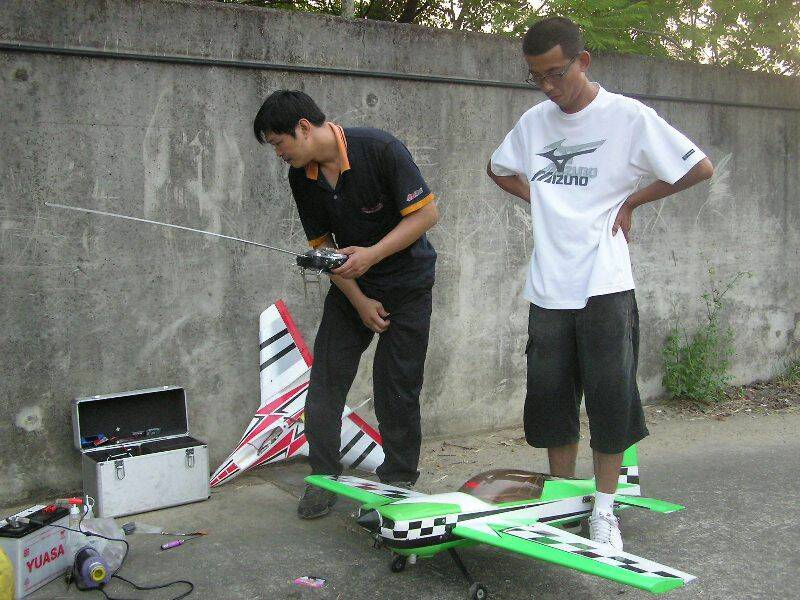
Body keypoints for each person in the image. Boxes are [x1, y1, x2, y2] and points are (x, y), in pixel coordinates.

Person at [486, 17, 714, 549]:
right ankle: (564, 502)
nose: (548, 86)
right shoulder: (534, 123)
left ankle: (604, 510)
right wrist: (543, 201)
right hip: (548, 287)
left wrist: (631, 201)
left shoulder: (627, 117)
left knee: (611, 399)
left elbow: (698, 168)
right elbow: (497, 168)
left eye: (556, 73)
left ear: (583, 62)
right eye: (536, 77)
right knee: (550, 400)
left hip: (605, 285)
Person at [254, 90, 439, 519]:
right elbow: (325, 250)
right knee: (325, 382)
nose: (279, 153)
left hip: (408, 284)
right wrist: (359, 302)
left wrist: (372, 255)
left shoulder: (379, 149)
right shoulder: (301, 178)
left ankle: (397, 483)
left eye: (279, 142)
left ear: (303, 127)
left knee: (397, 387)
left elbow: (426, 216)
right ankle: (323, 476)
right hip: (352, 287)